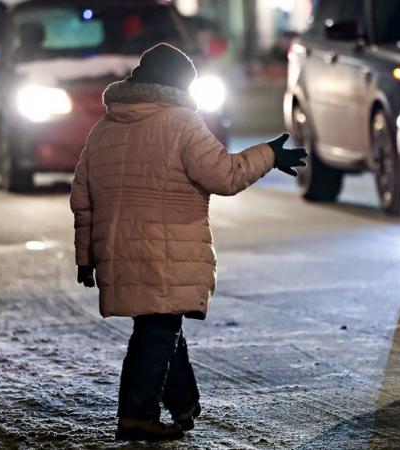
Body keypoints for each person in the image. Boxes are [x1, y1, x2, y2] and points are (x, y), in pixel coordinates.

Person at [70, 43, 307, 442]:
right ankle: (136, 415)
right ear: (179, 85)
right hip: (164, 253)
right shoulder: (181, 122)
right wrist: (269, 155)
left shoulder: (104, 129)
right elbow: (224, 175)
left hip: (118, 251)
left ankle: (184, 404)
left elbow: (83, 198)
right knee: (158, 328)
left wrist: (86, 256)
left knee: (161, 321)